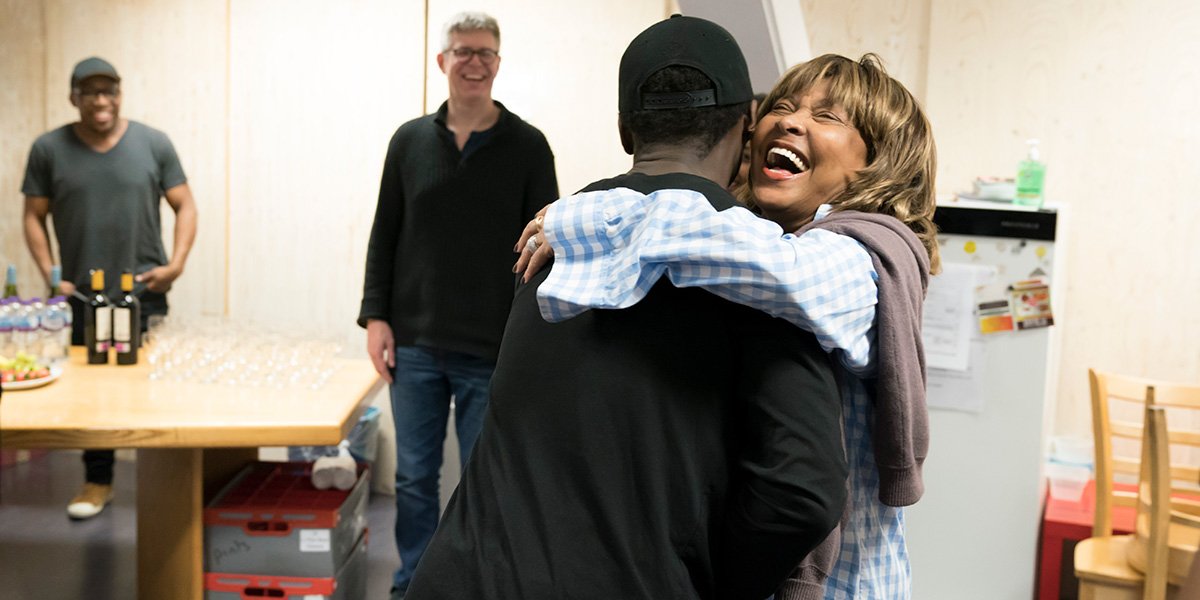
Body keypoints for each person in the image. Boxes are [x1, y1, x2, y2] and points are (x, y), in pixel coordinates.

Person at [405, 16, 846, 600]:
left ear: (623, 129)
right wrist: (707, 578)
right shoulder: (764, 267)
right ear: (747, 125)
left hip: (464, 575)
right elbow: (802, 493)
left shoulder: (554, 233)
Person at [520, 53, 939, 600]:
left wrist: (597, 218)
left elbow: (786, 273)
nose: (789, 122)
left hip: (842, 585)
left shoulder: (867, 258)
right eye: (782, 106)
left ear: (878, 164)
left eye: (827, 116)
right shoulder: (746, 243)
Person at [355, 12, 558, 599]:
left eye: (485, 53)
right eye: (463, 51)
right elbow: (385, 233)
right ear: (442, 61)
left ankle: (472, 586)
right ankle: (410, 585)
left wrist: (531, 337)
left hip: (491, 347)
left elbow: (545, 248)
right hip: (414, 344)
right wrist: (376, 317)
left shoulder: (528, 146)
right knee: (414, 479)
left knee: (482, 480)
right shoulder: (409, 141)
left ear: (498, 64)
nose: (475, 62)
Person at [21, 56, 198, 520]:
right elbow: (33, 216)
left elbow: (185, 205)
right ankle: (97, 481)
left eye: (109, 90)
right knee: (95, 396)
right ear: (74, 97)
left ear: (119, 94)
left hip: (144, 292)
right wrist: (50, 272)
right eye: (91, 92)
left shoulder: (154, 143)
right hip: (84, 296)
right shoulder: (48, 149)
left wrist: (176, 265)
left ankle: (166, 489)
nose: (101, 100)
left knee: (153, 387)